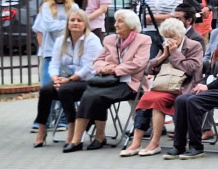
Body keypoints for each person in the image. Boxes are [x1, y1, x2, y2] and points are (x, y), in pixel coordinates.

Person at [64, 10, 152, 152]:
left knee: (96, 96)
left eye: (120, 21)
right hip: (107, 81)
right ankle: (78, 139)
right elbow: (97, 61)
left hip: (130, 82)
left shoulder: (143, 40)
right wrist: (104, 68)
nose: (115, 24)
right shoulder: (110, 40)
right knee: (89, 95)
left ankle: (97, 137)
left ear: (131, 25)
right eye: (116, 21)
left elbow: (138, 64)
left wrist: (114, 70)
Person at [164, 20, 218, 160]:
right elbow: (212, 73)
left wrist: (208, 87)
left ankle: (196, 147)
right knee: (181, 99)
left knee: (194, 101)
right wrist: (202, 85)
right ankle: (178, 145)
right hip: (214, 88)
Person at [120, 18, 204, 156]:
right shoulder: (165, 47)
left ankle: (154, 142)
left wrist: (175, 53)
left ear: (181, 34)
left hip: (184, 87)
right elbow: (148, 69)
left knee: (156, 100)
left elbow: (191, 68)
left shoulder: (194, 45)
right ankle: (136, 142)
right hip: (164, 85)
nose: (169, 39)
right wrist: (163, 55)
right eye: (166, 36)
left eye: (172, 36)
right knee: (145, 98)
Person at [32, 8, 101, 147]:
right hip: (65, 79)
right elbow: (54, 63)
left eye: (79, 20)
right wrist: (56, 78)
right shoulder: (61, 40)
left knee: (65, 90)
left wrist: (69, 80)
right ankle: (41, 129)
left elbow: (89, 68)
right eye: (72, 20)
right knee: (45, 90)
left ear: (85, 24)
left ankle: (72, 129)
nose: (75, 23)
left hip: (87, 80)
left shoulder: (92, 40)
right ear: (68, 23)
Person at [33, 0, 73, 88]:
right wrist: (68, 23)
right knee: (48, 87)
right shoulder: (47, 7)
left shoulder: (72, 7)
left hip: (68, 53)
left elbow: (80, 26)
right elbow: (48, 26)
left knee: (67, 87)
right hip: (50, 52)